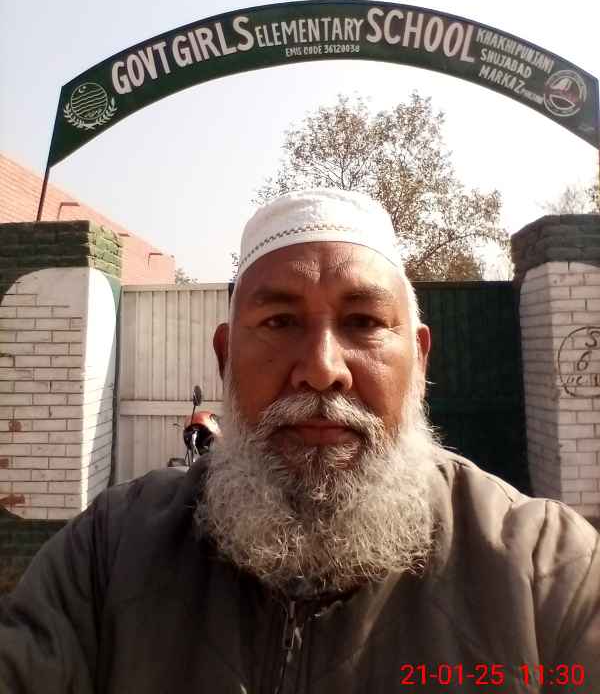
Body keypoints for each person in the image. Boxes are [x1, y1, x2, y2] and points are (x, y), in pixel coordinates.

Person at [0, 188, 598, 693]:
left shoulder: (544, 571)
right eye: (280, 322)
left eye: (363, 322)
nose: (321, 369)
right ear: (226, 358)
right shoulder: (109, 553)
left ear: (419, 359)